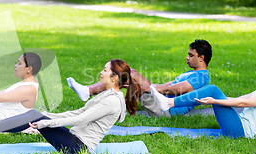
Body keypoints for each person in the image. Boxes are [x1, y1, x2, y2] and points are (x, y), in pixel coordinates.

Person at [0, 59, 140, 154]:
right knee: (36, 114)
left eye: (104, 70)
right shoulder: (107, 94)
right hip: (73, 139)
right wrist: (49, 116)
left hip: (79, 148)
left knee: (36, 117)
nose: (101, 73)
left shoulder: (112, 101)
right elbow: (78, 112)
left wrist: (45, 123)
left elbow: (81, 119)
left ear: (115, 77)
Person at [150, 53, 256, 138]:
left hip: (242, 132)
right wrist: (215, 101)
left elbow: (244, 104)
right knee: (212, 91)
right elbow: (238, 100)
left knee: (212, 89)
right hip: (238, 124)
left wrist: (215, 100)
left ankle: (169, 103)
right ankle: (169, 103)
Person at [67, 39, 213, 117]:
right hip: (160, 103)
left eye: (191, 55)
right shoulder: (192, 74)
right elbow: (167, 84)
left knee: (129, 74)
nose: (187, 58)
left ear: (201, 58)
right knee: (125, 78)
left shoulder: (201, 77)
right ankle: (91, 96)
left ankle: (88, 91)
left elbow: (172, 90)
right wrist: (147, 86)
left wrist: (146, 87)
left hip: (166, 110)